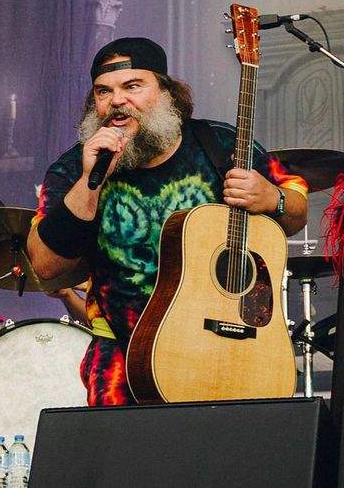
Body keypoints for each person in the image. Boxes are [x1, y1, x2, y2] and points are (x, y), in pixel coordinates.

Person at [27, 37, 308, 405]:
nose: (116, 101)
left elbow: (298, 211)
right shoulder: (71, 169)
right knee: (131, 462)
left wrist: (274, 198)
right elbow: (46, 265)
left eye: (133, 86)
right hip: (124, 359)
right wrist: (89, 182)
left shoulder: (220, 144)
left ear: (166, 93)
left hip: (228, 349)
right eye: (103, 91)